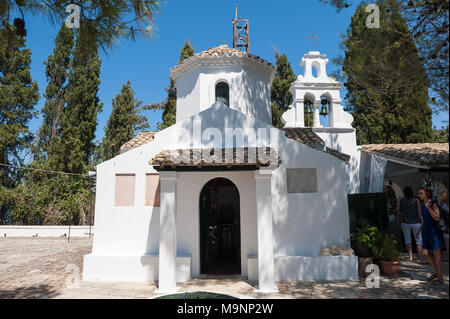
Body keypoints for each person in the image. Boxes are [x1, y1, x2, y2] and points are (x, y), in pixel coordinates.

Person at [418, 187, 446, 285]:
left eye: (421, 193)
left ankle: (440, 278)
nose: (419, 194)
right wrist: (419, 230)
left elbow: (437, 217)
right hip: (426, 232)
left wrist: (429, 208)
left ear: (427, 194)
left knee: (437, 255)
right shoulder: (422, 205)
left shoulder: (433, 204)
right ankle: (436, 272)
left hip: (434, 232)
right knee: (425, 253)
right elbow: (424, 220)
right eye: (419, 193)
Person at [396, 186, 425, 263]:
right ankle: (421, 259)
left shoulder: (402, 200)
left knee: (407, 240)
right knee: (419, 241)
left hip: (405, 222)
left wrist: (398, 200)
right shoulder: (416, 200)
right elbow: (419, 212)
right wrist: (422, 220)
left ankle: (410, 257)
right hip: (416, 222)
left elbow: (397, 209)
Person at [438, 191, 449, 262]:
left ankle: (446, 256)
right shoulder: (446, 206)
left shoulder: (442, 207)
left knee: (446, 242)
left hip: (445, 226)